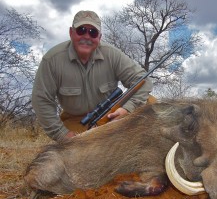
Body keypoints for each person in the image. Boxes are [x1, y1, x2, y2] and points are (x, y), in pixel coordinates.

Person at [32, 10, 153, 142]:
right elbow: (41, 99)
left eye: (93, 32)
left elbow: (143, 81)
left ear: (99, 37)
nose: (87, 36)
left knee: (150, 102)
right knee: (79, 150)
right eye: (81, 30)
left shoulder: (112, 54)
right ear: (71, 33)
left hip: (113, 113)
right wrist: (62, 134)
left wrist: (127, 109)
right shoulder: (52, 59)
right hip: (78, 121)